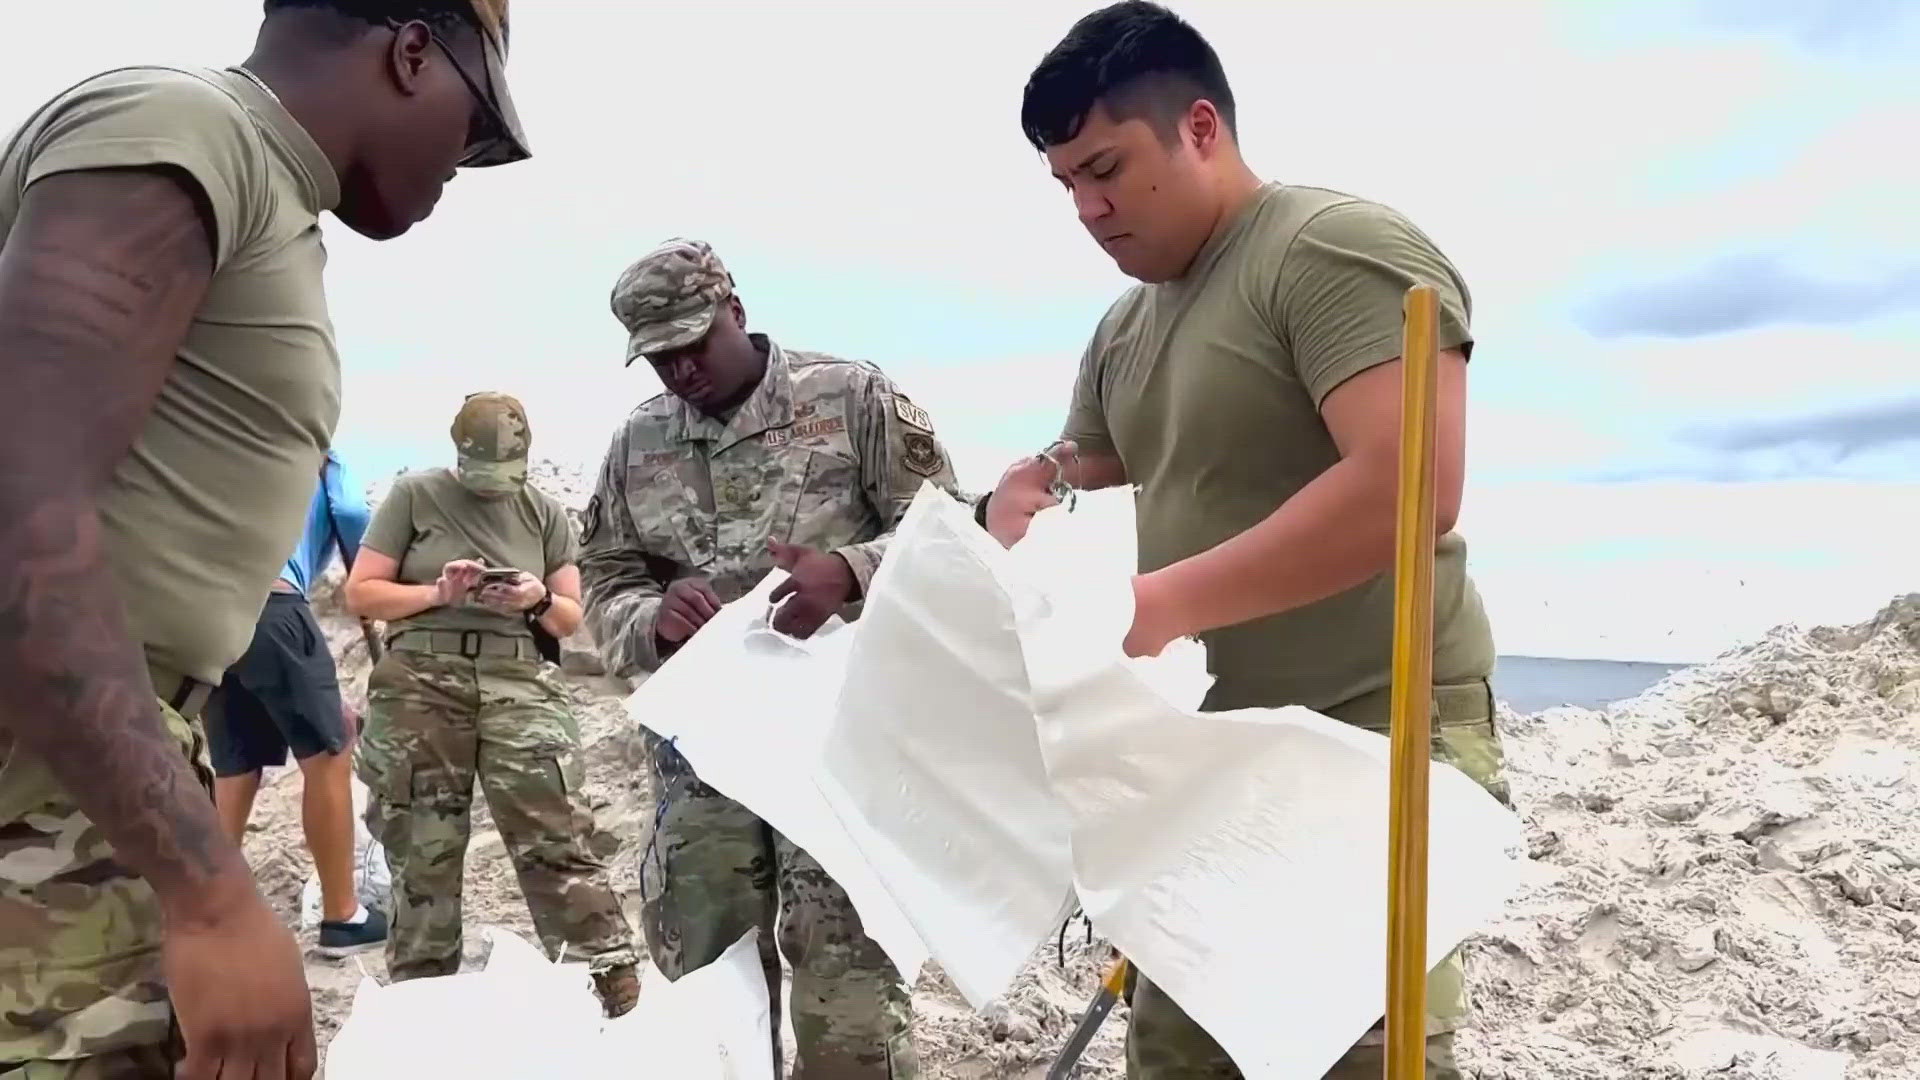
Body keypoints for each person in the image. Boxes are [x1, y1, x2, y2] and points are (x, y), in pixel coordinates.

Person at [0, 0, 529, 1075]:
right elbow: (17, 496)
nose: (461, 167)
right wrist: (207, 890)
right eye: (471, 129)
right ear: (410, 49)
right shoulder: (186, 128)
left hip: (103, 764)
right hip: (46, 774)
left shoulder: (260, 192)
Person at [980, 3, 1508, 1078]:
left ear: (1203, 128)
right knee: (1187, 1057)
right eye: (1067, 184)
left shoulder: (1331, 249)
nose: (1089, 207)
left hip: (1371, 737)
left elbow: (1409, 490)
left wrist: (1160, 606)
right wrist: (1032, 486)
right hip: (1211, 759)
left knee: (1349, 1050)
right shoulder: (1129, 325)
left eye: (1109, 168)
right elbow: (1098, 455)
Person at [580, 237, 962, 1078]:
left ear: (736, 311)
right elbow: (602, 579)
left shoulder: (852, 397)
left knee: (848, 981)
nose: (680, 372)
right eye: (658, 359)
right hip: (704, 754)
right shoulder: (636, 443)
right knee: (710, 980)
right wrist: (651, 618)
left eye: (692, 344)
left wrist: (853, 572)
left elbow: (952, 532)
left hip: (843, 744)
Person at [342, 392, 642, 1018]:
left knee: (557, 838)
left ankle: (612, 1000)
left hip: (519, 680)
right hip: (423, 680)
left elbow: (568, 619)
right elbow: (362, 594)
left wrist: (532, 599)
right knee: (423, 852)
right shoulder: (413, 496)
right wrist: (437, 591)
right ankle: (422, 1015)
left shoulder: (544, 512)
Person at [205, 448, 390, 959]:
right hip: (276, 604)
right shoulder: (322, 457)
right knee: (331, 752)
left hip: (214, 614)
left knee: (235, 766)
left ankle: (209, 911)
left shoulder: (230, 449)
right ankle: (344, 917)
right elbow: (352, 514)